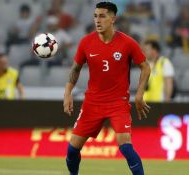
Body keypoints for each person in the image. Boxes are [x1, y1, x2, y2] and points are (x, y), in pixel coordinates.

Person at [63, 2, 151, 175]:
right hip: (92, 103)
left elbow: (145, 66)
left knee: (125, 146)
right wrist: (67, 93)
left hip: (118, 102)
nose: (98, 20)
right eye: (95, 16)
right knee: (72, 150)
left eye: (102, 16)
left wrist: (139, 95)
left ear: (113, 19)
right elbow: (75, 69)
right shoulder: (86, 42)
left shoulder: (127, 42)